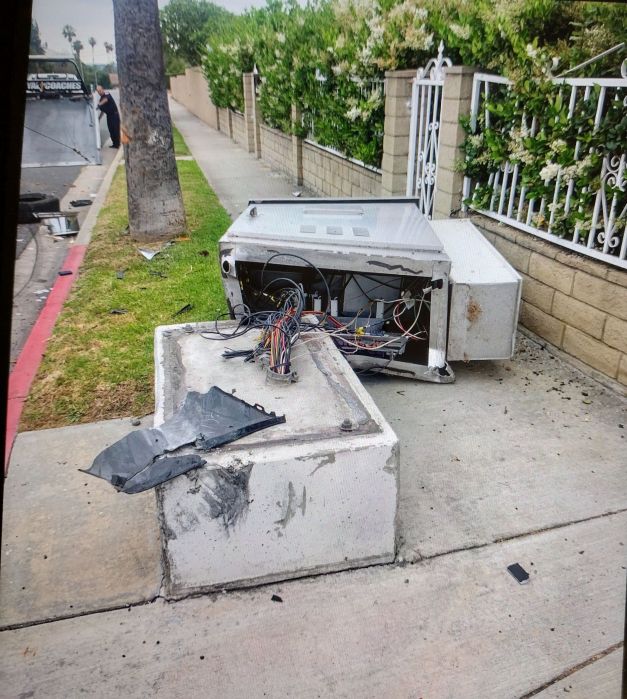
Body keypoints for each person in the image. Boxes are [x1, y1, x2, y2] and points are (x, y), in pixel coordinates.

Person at [96, 85, 120, 149]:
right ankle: (115, 144)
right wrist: (99, 118)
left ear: (103, 89)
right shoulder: (101, 99)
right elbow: (103, 111)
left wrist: (99, 105)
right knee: (111, 130)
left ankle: (118, 144)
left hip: (114, 115)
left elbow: (106, 100)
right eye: (98, 92)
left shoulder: (107, 94)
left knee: (116, 130)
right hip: (109, 116)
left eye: (100, 90)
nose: (99, 92)